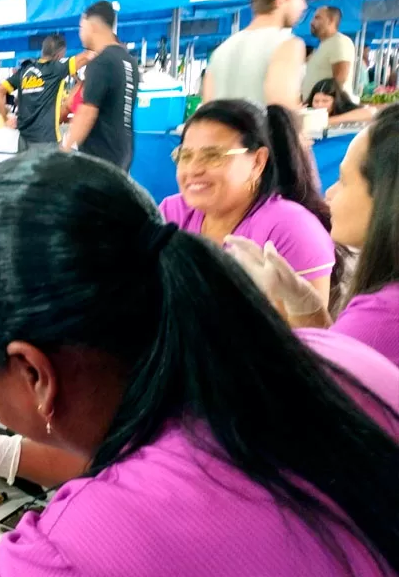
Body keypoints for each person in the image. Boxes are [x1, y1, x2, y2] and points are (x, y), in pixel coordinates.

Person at [0, 151, 399, 576]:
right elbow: (177, 469)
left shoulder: (68, 551)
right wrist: (7, 454)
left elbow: (155, 505)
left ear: (33, 374)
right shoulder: (335, 356)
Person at [228, 106, 399, 366]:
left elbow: (316, 392)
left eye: (343, 180)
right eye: (185, 155)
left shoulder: (381, 319)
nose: (330, 193)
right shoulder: (176, 207)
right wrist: (310, 314)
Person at [159, 99, 338, 321]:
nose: (193, 169)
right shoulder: (172, 212)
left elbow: (307, 338)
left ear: (257, 162)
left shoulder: (291, 229)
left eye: (213, 156)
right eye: (185, 156)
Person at [204, 0, 308, 107]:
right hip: (261, 128)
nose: (304, 6)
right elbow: (284, 116)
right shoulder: (287, 45)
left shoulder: (221, 51)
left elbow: (207, 111)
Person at [63, 1, 140, 172]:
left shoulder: (101, 62)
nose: (80, 33)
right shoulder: (129, 61)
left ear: (92, 26)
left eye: (81, 27)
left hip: (99, 156)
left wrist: (64, 149)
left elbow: (87, 112)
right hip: (123, 151)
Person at [0, 35, 94, 152]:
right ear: (60, 55)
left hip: (23, 141)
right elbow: (88, 55)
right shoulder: (57, 69)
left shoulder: (25, 71)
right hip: (46, 140)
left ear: (43, 50)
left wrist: (5, 118)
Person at [302, 6, 356, 100]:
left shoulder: (339, 42)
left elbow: (339, 79)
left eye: (317, 18)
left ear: (331, 21)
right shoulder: (322, 46)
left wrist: (322, 102)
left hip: (328, 110)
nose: (311, 22)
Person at [307, 77, 375, 124]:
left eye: (325, 101)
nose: (319, 105)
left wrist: (328, 121)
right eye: (316, 101)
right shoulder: (307, 111)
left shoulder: (345, 108)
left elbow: (371, 112)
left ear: (336, 100)